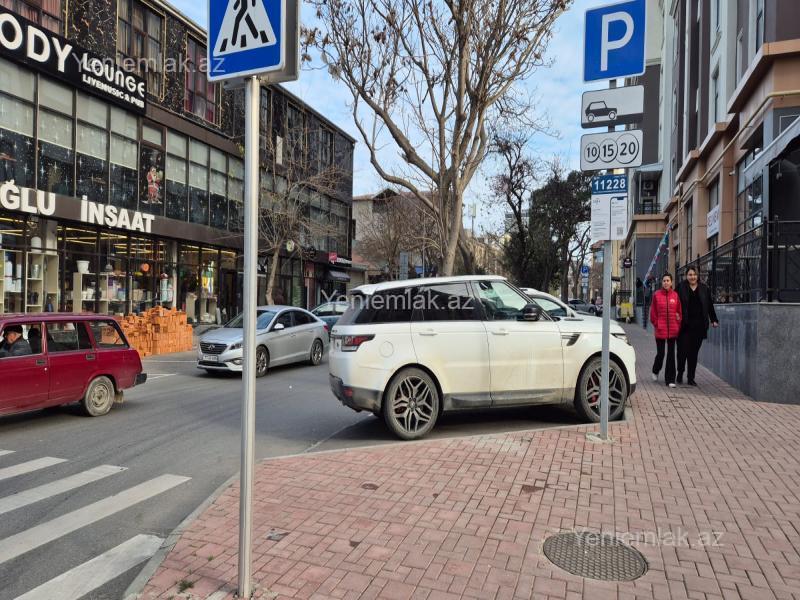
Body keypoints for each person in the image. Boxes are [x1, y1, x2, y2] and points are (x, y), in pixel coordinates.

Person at [676, 267, 719, 386]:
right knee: (682, 352)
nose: (692, 277)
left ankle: (691, 378)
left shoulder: (704, 288)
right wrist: (675, 314)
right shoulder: (681, 287)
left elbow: (709, 305)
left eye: (694, 274)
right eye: (690, 275)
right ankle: (680, 373)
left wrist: (714, 319)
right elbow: (674, 301)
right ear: (686, 276)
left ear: (697, 275)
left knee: (693, 353)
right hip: (684, 326)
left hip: (699, 326)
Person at [649, 273, 682, 388]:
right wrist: (657, 323)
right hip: (660, 329)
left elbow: (679, 312)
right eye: (664, 281)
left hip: (673, 330)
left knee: (671, 355)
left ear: (671, 282)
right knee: (661, 353)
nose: (666, 282)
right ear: (662, 282)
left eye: (668, 280)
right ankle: (656, 369)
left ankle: (670, 379)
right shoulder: (656, 295)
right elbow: (653, 313)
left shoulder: (675, 296)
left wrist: (677, 323)